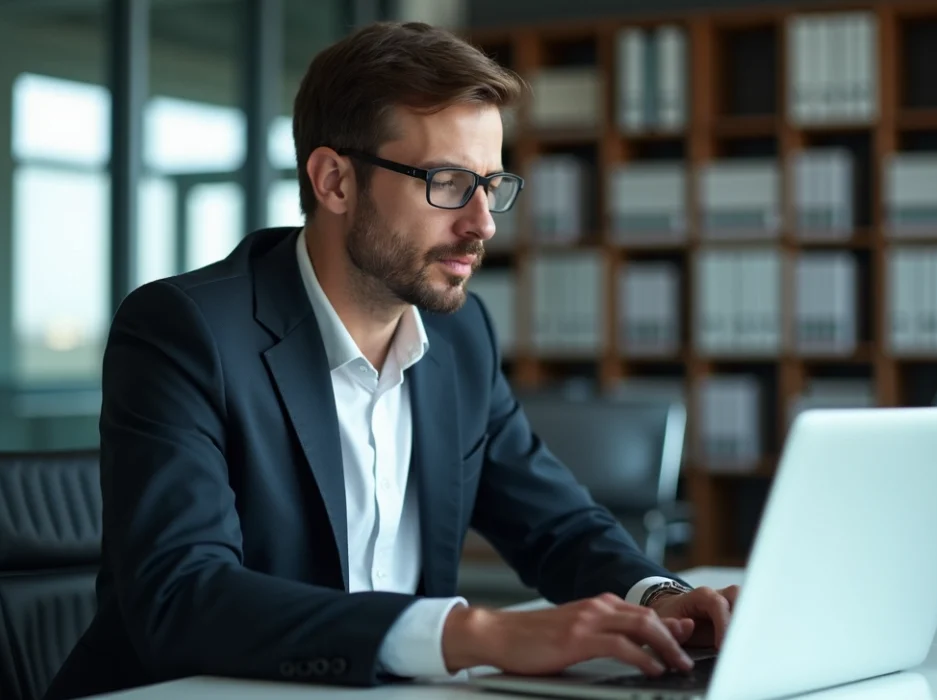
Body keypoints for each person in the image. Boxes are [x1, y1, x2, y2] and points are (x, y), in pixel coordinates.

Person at [43, 21, 738, 700]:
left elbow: (558, 526)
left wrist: (659, 598)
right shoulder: (186, 332)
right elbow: (182, 595)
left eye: (491, 186)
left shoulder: (461, 339)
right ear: (335, 181)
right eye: (446, 182)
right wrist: (473, 635)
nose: (482, 223)